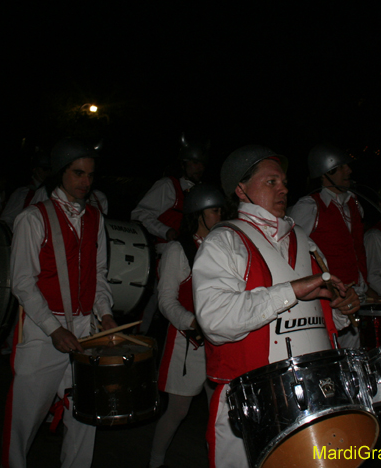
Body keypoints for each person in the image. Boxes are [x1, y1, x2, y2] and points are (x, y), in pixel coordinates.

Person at [192, 145, 359, 468]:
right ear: (241, 190)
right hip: (251, 404)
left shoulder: (306, 241)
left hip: (315, 398)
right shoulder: (224, 241)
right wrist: (292, 290)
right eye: (271, 182)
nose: (283, 188)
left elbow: (320, 321)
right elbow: (215, 320)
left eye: (283, 182)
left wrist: (341, 308)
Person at [1, 138, 117, 468]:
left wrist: (105, 314)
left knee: (86, 414)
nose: (86, 182)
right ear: (60, 173)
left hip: (84, 327)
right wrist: (54, 329)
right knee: (25, 418)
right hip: (42, 329)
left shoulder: (95, 218)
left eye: (90, 175)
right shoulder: (32, 218)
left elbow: (98, 274)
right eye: (78, 173)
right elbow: (22, 283)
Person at [149, 183, 224, 468]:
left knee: (220, 413)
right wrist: (192, 322)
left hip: (218, 345)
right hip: (186, 343)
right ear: (198, 213)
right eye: (214, 210)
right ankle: (155, 462)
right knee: (178, 411)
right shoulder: (178, 250)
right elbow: (166, 301)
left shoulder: (223, 247)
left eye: (221, 210)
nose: (220, 215)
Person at [289, 143, 368, 348]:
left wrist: (365, 287)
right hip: (330, 302)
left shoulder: (355, 203)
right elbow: (292, 250)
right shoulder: (309, 206)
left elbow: (357, 251)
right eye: (341, 167)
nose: (348, 171)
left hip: (357, 298)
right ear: (325, 173)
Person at [131, 134, 208, 251]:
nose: (200, 168)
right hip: (166, 251)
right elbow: (140, 215)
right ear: (183, 164)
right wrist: (165, 231)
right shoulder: (168, 186)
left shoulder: (204, 192)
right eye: (195, 162)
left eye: (203, 164)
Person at [0, 152, 51, 231]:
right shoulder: (22, 193)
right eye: (45, 169)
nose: (48, 172)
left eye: (50, 169)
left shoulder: (53, 192)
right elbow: (6, 220)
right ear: (35, 169)